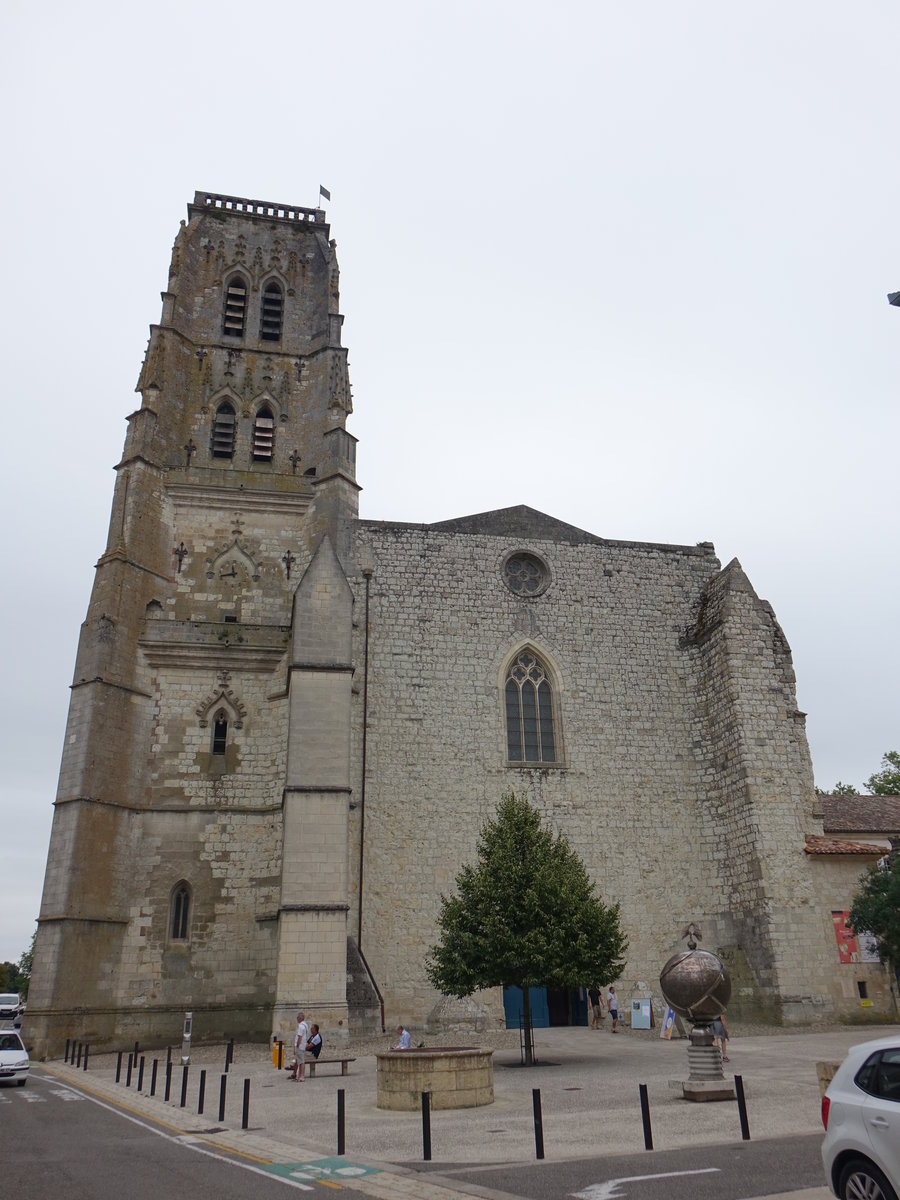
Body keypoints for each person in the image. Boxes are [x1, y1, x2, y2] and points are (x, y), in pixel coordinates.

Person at [294, 1011, 310, 1080]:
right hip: (303, 1045)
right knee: (300, 1061)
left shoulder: (301, 1026)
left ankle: (302, 1076)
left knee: (301, 1062)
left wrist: (297, 1045)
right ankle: (299, 1075)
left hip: (300, 1046)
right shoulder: (305, 1025)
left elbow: (299, 1037)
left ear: (300, 1018)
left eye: (297, 1017)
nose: (297, 1019)